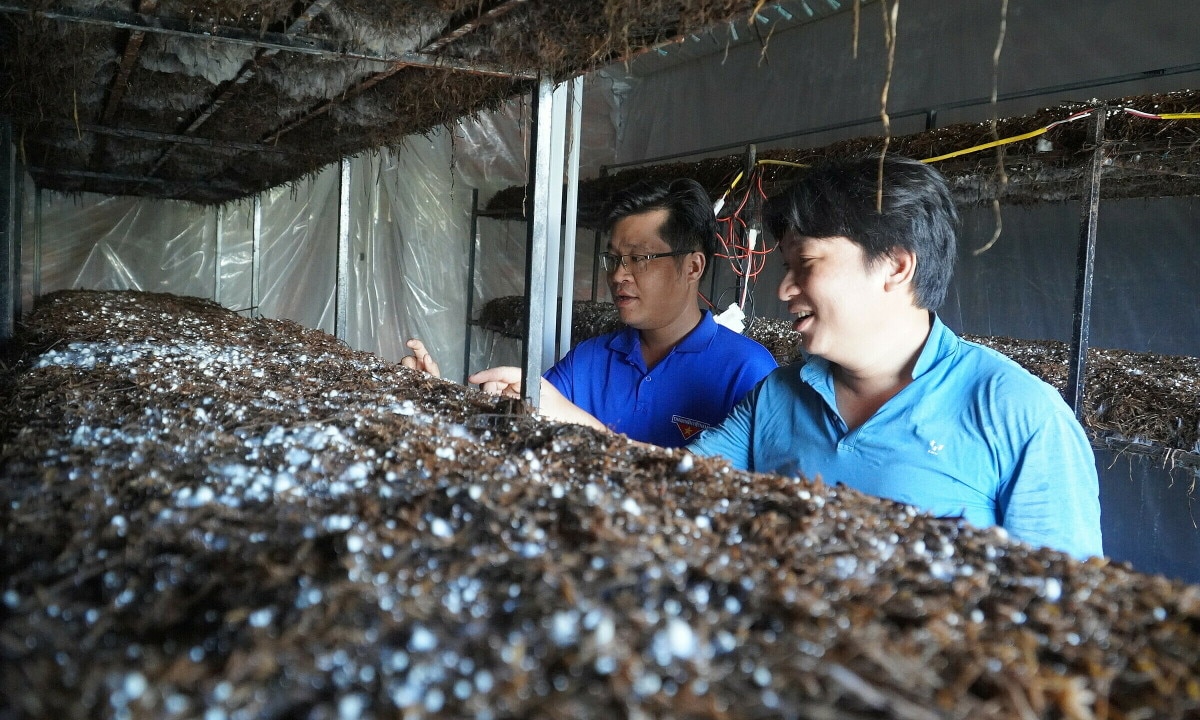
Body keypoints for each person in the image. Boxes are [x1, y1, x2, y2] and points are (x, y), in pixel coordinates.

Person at [688, 154, 1103, 559]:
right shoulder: (776, 396)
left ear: (896, 266)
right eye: (786, 266)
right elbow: (682, 488)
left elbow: (1072, 603)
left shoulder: (1019, 414)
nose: (783, 290)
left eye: (806, 263)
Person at [404, 178, 778, 448]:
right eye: (613, 259)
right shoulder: (591, 358)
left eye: (639, 258)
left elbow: (741, 499)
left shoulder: (748, 372)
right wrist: (437, 395)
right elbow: (529, 418)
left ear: (693, 266)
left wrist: (586, 427)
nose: (618, 274)